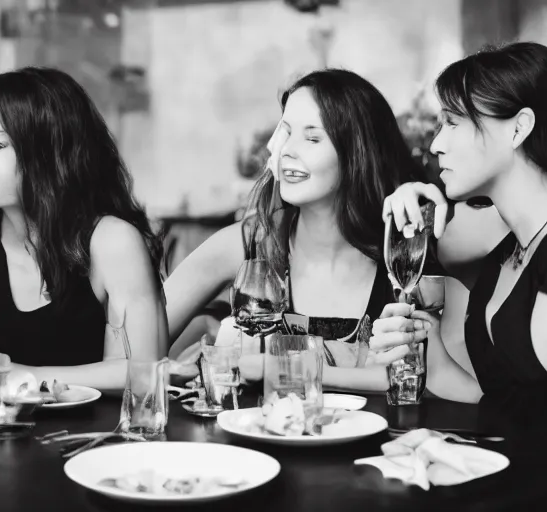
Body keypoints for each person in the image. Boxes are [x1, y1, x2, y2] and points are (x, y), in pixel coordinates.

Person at [372, 42, 547, 485]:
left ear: (518, 128)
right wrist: (429, 354)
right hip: (523, 473)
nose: (435, 144)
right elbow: (504, 401)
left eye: (452, 122)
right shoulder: (508, 247)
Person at [164, 69, 435, 391]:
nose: (288, 150)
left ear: (358, 153)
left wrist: (276, 368)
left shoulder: (405, 252)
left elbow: (424, 380)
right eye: (286, 132)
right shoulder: (247, 242)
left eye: (312, 138)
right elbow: (136, 351)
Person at [0, 67, 168, 391]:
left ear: (51, 152)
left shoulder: (112, 242)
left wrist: (10, 373)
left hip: (89, 441)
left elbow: (145, 374)